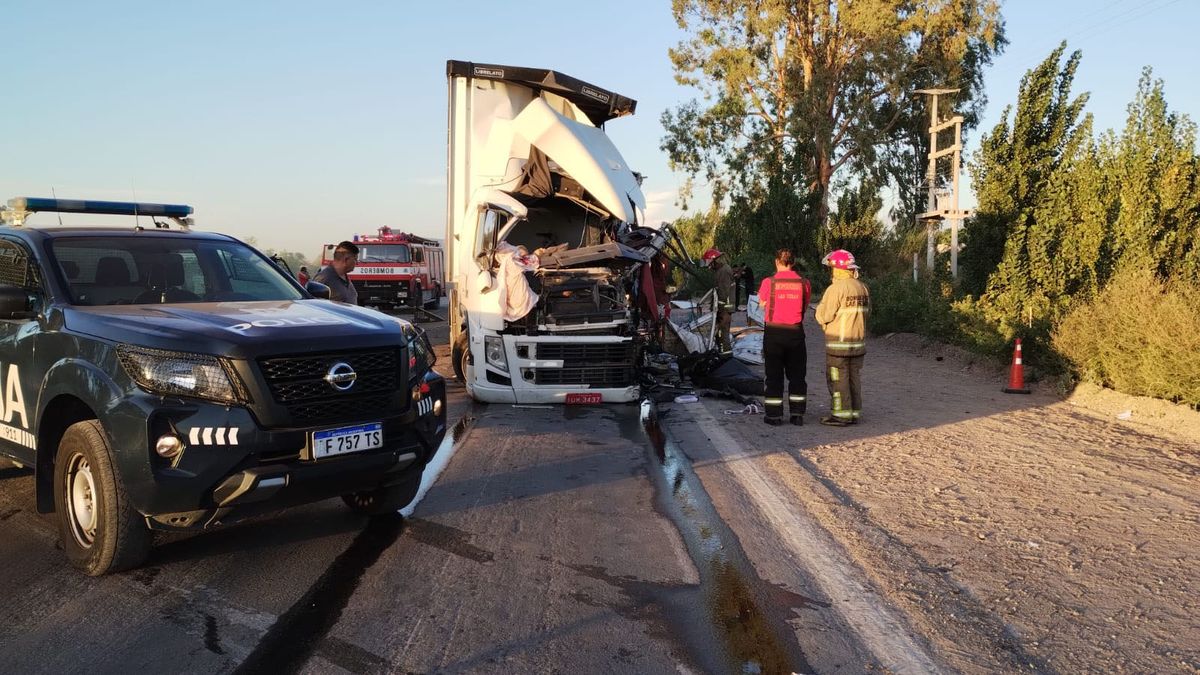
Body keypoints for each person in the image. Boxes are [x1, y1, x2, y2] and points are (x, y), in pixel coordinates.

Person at [815, 249, 871, 426]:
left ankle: (840, 415)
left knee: (837, 380)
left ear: (837, 269)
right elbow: (868, 313)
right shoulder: (862, 287)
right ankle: (854, 412)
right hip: (858, 343)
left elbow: (824, 316)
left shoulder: (835, 289)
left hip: (838, 345)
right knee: (854, 378)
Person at [756, 249, 812, 426]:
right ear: (793, 262)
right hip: (796, 333)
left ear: (776, 262)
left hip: (774, 333)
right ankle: (797, 414)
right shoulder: (804, 283)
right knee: (797, 376)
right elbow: (806, 303)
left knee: (773, 376)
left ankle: (774, 416)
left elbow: (762, 304)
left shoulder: (768, 282)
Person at [702, 247, 735, 351]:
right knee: (719, 334)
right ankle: (722, 355)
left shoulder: (724, 271)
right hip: (723, 307)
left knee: (722, 334)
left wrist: (718, 309)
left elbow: (723, 293)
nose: (708, 266)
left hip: (724, 308)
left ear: (714, 260)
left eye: (709, 262)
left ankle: (725, 358)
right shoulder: (721, 270)